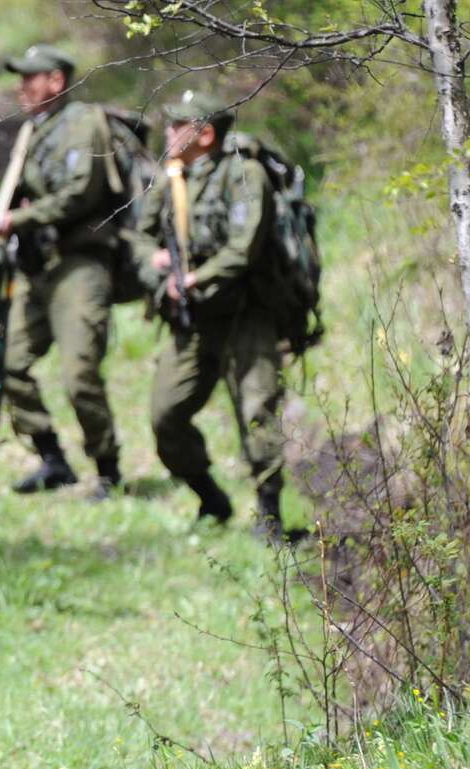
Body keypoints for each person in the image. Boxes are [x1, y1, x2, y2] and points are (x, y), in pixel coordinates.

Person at [124, 90, 289, 542]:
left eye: (178, 125)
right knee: (166, 415)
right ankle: (210, 498)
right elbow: (137, 239)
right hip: (193, 320)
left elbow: (244, 248)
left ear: (206, 133)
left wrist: (197, 278)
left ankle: (270, 516)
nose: (168, 133)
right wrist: (156, 264)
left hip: (246, 314)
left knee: (258, 413)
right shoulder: (171, 177)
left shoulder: (245, 175)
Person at [0, 44, 125, 500]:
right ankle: (53, 459)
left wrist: (18, 220)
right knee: (10, 364)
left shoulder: (84, 123)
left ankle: (107, 469)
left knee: (79, 371)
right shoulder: (33, 131)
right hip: (39, 266)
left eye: (31, 77)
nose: (21, 86)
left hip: (80, 263)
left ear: (56, 81)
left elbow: (81, 192)